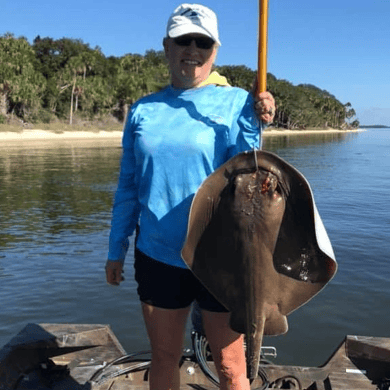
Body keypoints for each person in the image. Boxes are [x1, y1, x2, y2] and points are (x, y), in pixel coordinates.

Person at [105, 4, 275, 390]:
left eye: (202, 42)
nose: (192, 50)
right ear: (167, 46)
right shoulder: (143, 110)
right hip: (157, 254)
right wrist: (116, 249)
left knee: (232, 366)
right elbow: (129, 186)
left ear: (214, 51)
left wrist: (257, 118)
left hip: (219, 258)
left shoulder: (235, 102)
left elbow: (248, 174)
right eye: (184, 40)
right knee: (164, 358)